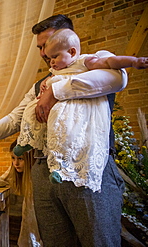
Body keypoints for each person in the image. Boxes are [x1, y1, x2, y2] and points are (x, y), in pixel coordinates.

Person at [0, 14, 127, 246]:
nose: (44, 53)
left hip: (88, 170)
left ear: (68, 40)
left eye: (47, 45)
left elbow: (118, 78)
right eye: (40, 48)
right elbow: (15, 118)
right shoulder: (40, 84)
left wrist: (56, 92)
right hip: (44, 172)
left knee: (99, 242)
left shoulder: (95, 61)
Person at [17, 28, 148, 192]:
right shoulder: (56, 69)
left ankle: (60, 168)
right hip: (42, 162)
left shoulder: (86, 61)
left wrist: (133, 62)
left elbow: (112, 65)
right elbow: (17, 115)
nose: (49, 60)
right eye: (47, 54)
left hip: (74, 110)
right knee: (31, 110)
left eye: (54, 55)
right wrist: (46, 83)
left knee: (62, 128)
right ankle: (25, 142)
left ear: (72, 51)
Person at [0, 140, 41, 247]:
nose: (16, 163)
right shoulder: (14, 170)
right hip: (28, 210)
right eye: (13, 158)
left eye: (20, 159)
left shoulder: (36, 173)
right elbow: (5, 178)